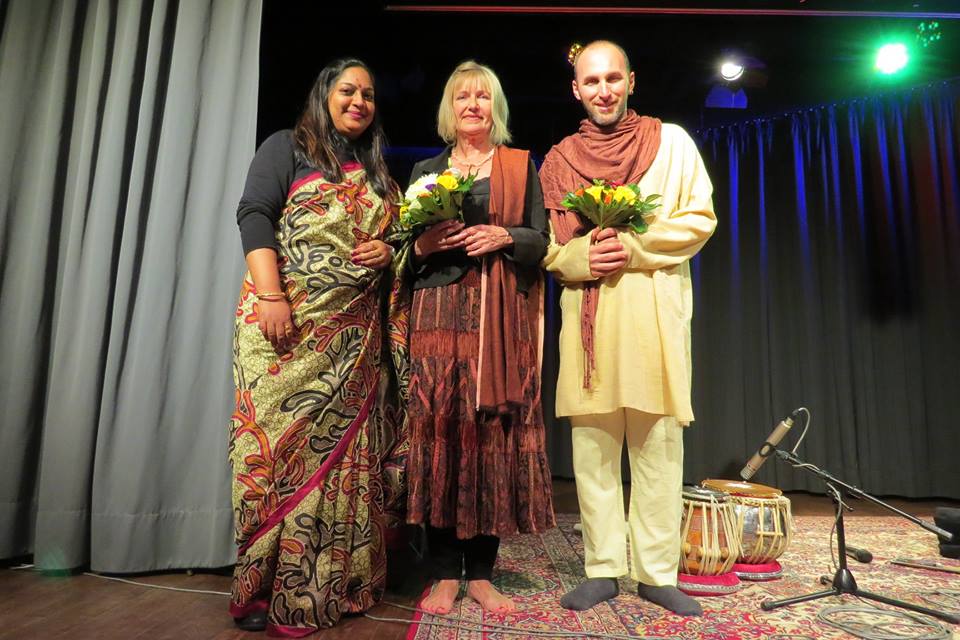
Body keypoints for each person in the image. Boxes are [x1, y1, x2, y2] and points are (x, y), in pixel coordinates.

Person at [229, 58, 409, 636]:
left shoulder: (379, 172)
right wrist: (272, 295)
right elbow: (254, 214)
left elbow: (398, 240)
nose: (359, 101)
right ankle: (259, 587)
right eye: (348, 91)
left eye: (369, 94)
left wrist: (390, 253)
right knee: (269, 461)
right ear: (324, 94)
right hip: (286, 328)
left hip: (353, 345)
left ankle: (340, 580)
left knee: (344, 466)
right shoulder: (287, 147)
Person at [539, 41, 717, 616]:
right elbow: (548, 248)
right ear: (576, 89)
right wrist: (581, 257)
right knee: (592, 453)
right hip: (589, 327)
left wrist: (634, 246)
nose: (603, 91)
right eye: (592, 82)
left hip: (653, 322)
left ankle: (657, 573)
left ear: (632, 81)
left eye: (613, 79)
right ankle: (603, 569)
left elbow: (699, 219)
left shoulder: (672, 143)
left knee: (658, 449)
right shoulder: (560, 159)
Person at [404, 60, 555, 615]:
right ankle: (445, 573)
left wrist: (505, 235)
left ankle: (484, 574)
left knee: (491, 437)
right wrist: (426, 245)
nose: (472, 105)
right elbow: (406, 258)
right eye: (462, 96)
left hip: (500, 321)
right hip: (439, 316)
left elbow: (541, 242)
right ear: (449, 107)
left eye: (483, 96)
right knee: (442, 434)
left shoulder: (519, 165)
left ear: (496, 107)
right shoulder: (425, 170)